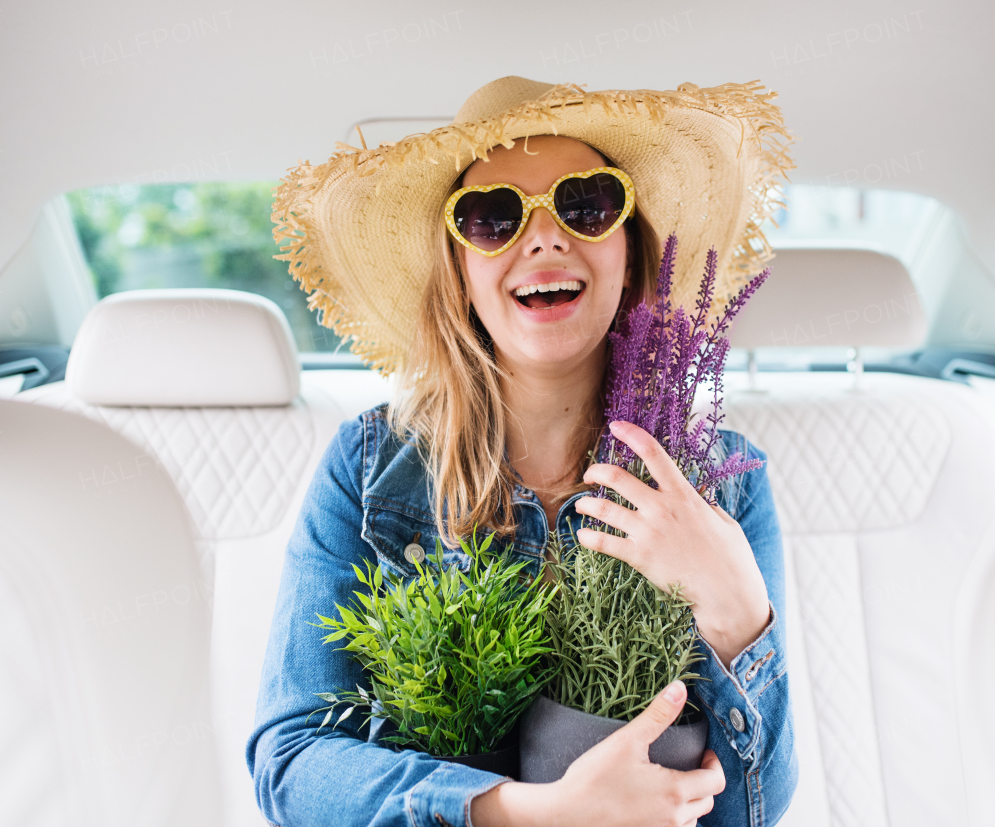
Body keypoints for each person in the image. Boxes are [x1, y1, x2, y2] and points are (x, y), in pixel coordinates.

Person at [249, 76, 797, 827]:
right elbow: (294, 764)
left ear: (631, 255)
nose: (544, 236)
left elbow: (751, 813)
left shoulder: (723, 486)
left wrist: (740, 613)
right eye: (491, 216)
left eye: (586, 204)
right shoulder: (369, 469)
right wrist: (526, 812)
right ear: (461, 273)